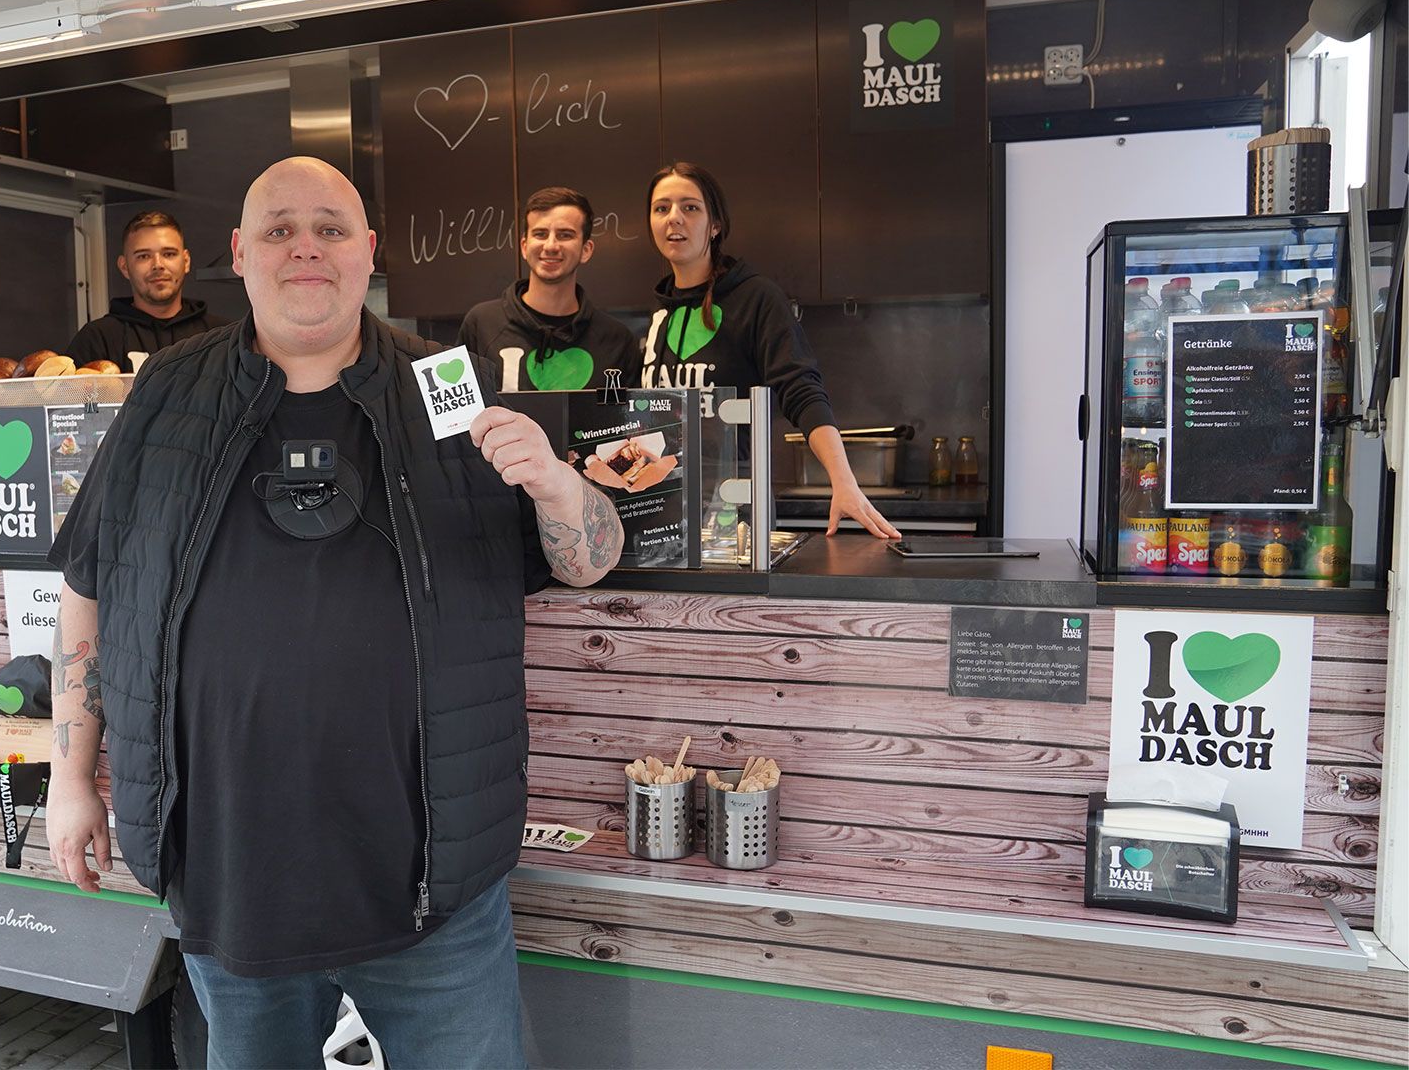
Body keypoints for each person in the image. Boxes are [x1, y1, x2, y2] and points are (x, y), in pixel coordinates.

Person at [44, 156, 622, 1069]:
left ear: (368, 253)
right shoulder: (165, 394)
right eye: (279, 230)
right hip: (231, 876)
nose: (305, 249)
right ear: (238, 253)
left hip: (432, 883)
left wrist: (556, 486)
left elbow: (585, 561)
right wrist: (70, 778)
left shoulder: (447, 385)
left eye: (330, 229)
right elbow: (87, 585)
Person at [641, 161, 899, 538]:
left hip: (734, 505)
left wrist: (843, 480)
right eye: (661, 208)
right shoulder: (660, 312)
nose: (674, 218)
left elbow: (801, 388)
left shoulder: (755, 298)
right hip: (664, 503)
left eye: (690, 207)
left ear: (715, 225)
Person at [456, 186, 642, 391]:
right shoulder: (481, 324)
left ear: (586, 250)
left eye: (565, 235)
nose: (551, 245)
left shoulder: (617, 340)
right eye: (540, 234)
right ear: (525, 247)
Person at [66, 210, 228, 374]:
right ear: (124, 267)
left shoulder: (223, 336)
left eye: (169, 254)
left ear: (186, 261)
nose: (158, 265)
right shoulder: (97, 339)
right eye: (143, 256)